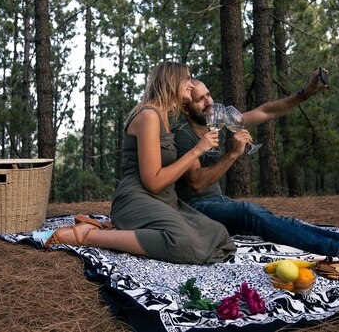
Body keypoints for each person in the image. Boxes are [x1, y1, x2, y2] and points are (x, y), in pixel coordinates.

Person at [172, 70, 339, 260]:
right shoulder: (183, 135)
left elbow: (265, 111)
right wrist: (233, 155)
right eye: (199, 100)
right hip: (195, 209)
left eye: (208, 95)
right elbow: (195, 183)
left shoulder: (217, 120)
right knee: (251, 213)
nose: (209, 102)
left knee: (286, 222)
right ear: (184, 107)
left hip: (218, 203)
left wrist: (305, 93)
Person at [45, 61, 237, 264]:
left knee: (218, 234)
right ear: (171, 82)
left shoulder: (163, 116)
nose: (191, 84)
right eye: (186, 79)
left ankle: (118, 229)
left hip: (164, 200)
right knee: (184, 244)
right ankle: (86, 235)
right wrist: (197, 150)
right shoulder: (149, 116)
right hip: (136, 198)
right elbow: (152, 182)